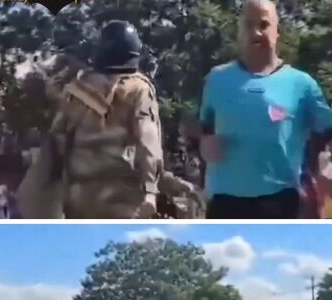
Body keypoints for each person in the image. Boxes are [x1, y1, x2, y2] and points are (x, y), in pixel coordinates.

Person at [17, 20, 197, 218]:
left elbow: (56, 146)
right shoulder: (139, 90)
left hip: (79, 199)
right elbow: (148, 143)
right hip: (122, 201)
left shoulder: (75, 91)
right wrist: (151, 192)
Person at [197, 0, 332, 218]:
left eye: (264, 24)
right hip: (225, 203)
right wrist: (205, 146)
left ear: (277, 31)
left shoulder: (302, 84)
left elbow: (328, 131)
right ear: (239, 32)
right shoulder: (216, 80)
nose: (256, 32)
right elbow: (204, 131)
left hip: (283, 202)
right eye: (248, 25)